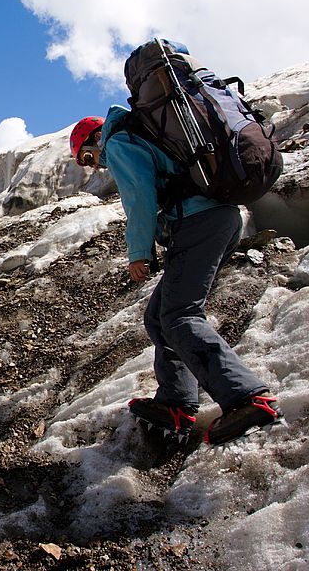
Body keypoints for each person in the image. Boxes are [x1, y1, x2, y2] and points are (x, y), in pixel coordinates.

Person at [70, 109, 283, 445]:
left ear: (96, 139)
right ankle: (177, 403)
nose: (96, 165)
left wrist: (138, 252)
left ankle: (246, 398)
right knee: (159, 317)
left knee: (180, 315)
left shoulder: (120, 142)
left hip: (199, 222)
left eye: (88, 157)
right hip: (217, 220)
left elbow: (140, 197)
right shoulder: (145, 134)